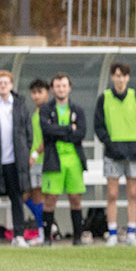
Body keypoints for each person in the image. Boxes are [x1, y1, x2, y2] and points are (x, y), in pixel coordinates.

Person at [94, 62, 136, 246]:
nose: (120, 79)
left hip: (132, 153)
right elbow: (99, 126)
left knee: (133, 193)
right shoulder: (105, 98)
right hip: (112, 153)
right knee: (112, 193)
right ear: (112, 77)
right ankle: (113, 232)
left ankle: (132, 232)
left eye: (123, 75)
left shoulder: (135, 97)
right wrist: (109, 144)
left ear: (128, 77)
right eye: (117, 75)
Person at [40, 73, 87, 246]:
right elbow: (47, 130)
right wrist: (68, 129)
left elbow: (81, 133)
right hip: (54, 158)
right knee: (50, 198)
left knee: (75, 197)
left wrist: (59, 131)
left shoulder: (77, 110)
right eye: (58, 86)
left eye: (64, 85)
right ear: (52, 89)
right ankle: (46, 238)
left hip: (73, 158)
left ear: (69, 88)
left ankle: (77, 238)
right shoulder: (46, 109)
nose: (61, 89)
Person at [0, 70, 32, 248]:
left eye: (5, 82)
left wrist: (25, 153)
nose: (2, 85)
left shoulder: (19, 105)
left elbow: (29, 133)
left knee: (17, 198)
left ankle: (18, 235)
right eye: (0, 82)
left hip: (14, 160)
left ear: (11, 85)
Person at [24, 78, 50, 244]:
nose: (36, 96)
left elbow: (47, 137)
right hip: (33, 160)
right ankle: (45, 228)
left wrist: (34, 155)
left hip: (43, 160)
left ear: (47, 93)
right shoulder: (35, 113)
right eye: (33, 93)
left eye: (40, 92)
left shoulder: (47, 112)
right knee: (28, 195)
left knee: (40, 196)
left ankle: (43, 232)